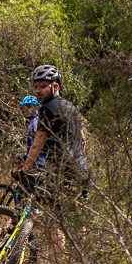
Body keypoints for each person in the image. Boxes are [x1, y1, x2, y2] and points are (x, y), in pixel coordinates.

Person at [15, 65, 89, 250]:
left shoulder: (47, 109)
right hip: (83, 171)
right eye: (36, 86)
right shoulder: (70, 107)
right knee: (78, 223)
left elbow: (38, 144)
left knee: (52, 221)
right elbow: (83, 141)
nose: (38, 91)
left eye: (43, 86)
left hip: (62, 173)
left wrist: (24, 170)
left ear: (55, 86)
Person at [21, 94, 45, 168]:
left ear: (36, 107)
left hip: (38, 162)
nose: (26, 110)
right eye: (24, 108)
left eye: (29, 107)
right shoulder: (32, 121)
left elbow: (36, 144)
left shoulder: (36, 122)